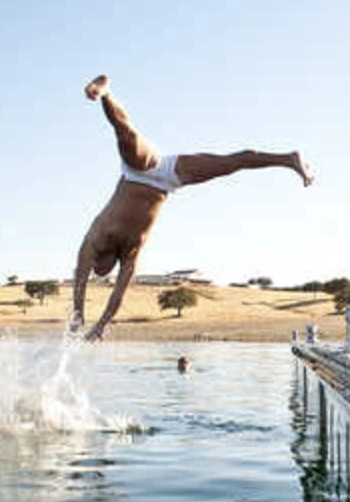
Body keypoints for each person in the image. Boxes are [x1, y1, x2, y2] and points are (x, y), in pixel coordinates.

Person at [71, 75, 313, 340]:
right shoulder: (130, 255)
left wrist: (78, 314)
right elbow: (119, 295)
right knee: (230, 165)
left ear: (98, 259)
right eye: (104, 272)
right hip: (168, 181)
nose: (101, 271)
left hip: (141, 170)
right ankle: (288, 158)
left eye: (99, 268)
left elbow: (80, 279)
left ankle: (104, 93)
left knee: (124, 133)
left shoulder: (93, 241)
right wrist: (101, 325)